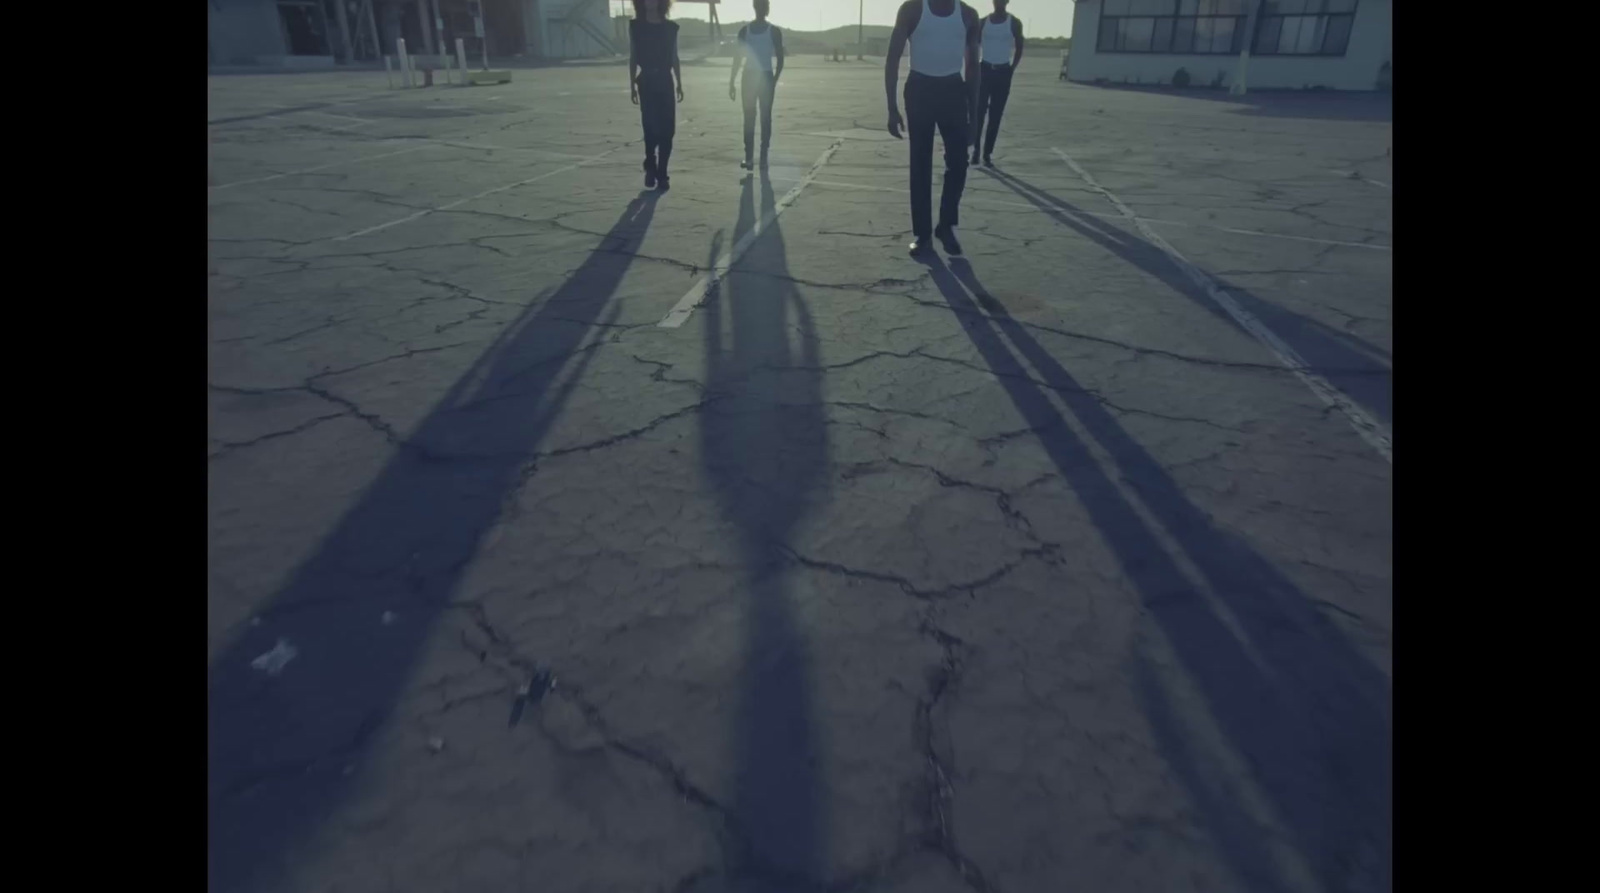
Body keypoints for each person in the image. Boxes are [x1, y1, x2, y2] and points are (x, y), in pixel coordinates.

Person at [885, 0, 982, 257]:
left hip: (953, 90)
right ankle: (923, 234)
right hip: (919, 90)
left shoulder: (969, 15)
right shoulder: (913, 9)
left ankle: (946, 225)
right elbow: (893, 58)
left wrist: (974, 116)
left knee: (959, 163)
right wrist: (891, 107)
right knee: (920, 164)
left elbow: (973, 67)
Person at [630, 0, 683, 191]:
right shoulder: (636, 27)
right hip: (646, 82)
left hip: (665, 81)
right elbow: (633, 56)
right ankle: (651, 165)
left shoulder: (670, 28)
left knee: (668, 130)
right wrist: (631, 85)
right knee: (650, 127)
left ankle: (662, 174)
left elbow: (674, 57)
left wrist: (679, 83)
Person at [728, 0, 786, 171]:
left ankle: (762, 157)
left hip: (764, 77)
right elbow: (737, 58)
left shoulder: (773, 31)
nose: (763, 9)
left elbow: (781, 58)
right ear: (756, 8)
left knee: (763, 118)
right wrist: (732, 81)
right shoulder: (745, 31)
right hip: (751, 77)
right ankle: (750, 157)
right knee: (751, 118)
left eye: (765, 6)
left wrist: (774, 79)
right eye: (761, 6)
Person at [972, 0, 1023, 168]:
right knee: (978, 113)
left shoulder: (1014, 22)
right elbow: (973, 45)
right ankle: (976, 151)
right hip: (984, 70)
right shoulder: (982, 22)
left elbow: (1020, 47)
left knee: (995, 115)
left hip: (1002, 72)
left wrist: (1011, 69)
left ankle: (987, 153)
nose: (998, 2)